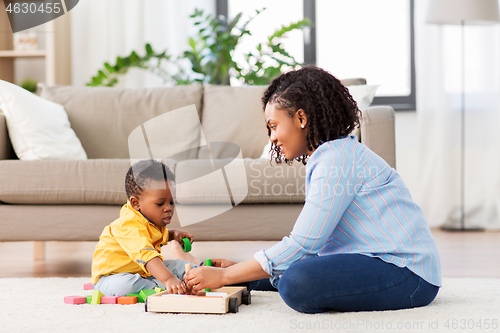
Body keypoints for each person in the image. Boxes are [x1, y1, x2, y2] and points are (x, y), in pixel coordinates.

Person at [184, 66, 442, 313]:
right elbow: (319, 250)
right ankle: (252, 277)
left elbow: (304, 244)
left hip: (407, 275)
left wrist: (228, 275)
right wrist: (243, 270)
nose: (271, 137)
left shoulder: (335, 160)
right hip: (383, 264)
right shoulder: (332, 155)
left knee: (297, 283)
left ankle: (251, 276)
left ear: (301, 118)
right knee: (297, 275)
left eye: (274, 126)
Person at [92, 159, 202, 296]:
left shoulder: (151, 219)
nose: (168, 208)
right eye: (160, 203)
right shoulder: (128, 225)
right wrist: (169, 279)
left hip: (143, 271)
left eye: (172, 202)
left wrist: (173, 235)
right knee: (124, 287)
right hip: (112, 276)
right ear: (136, 203)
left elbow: (152, 236)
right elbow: (147, 255)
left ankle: (203, 272)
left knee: (179, 265)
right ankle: (164, 285)